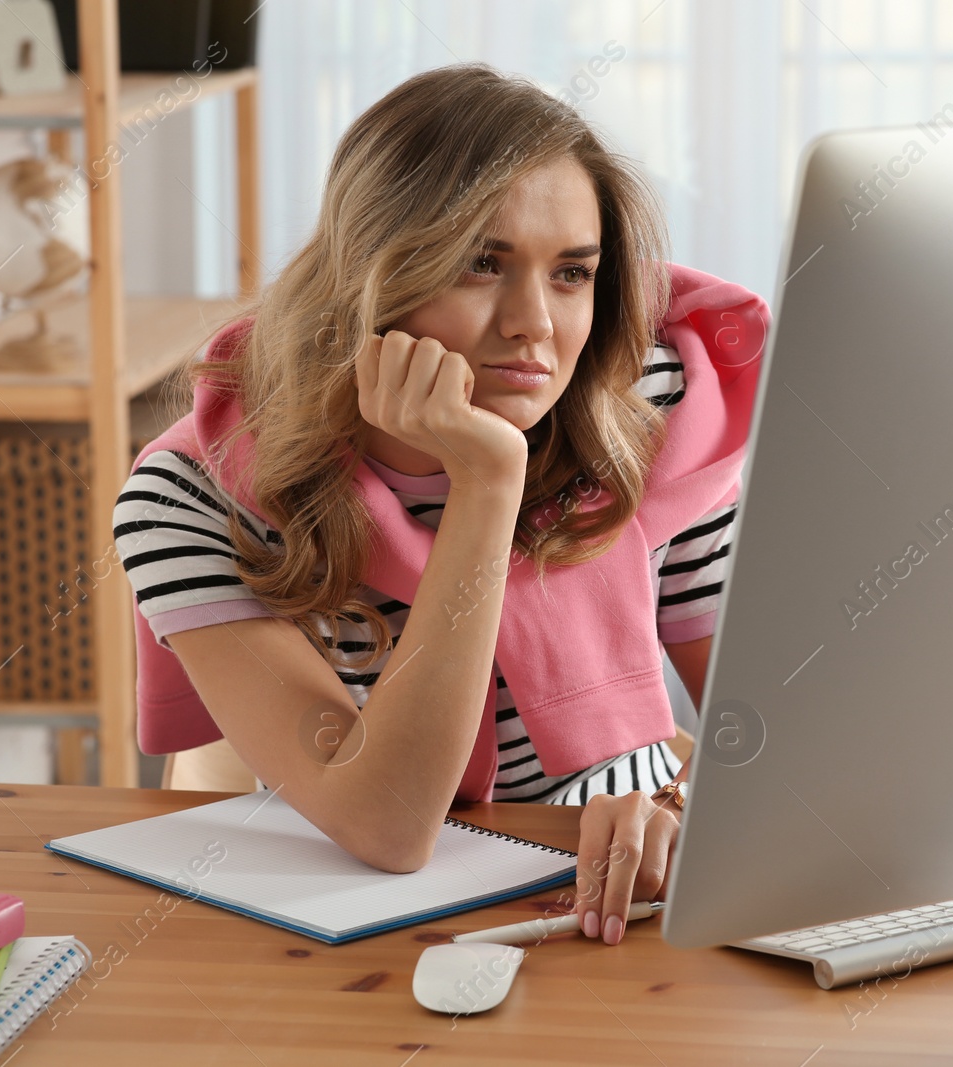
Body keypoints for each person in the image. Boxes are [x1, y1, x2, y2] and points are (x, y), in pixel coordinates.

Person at [114, 63, 757, 947]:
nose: (534, 322)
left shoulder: (646, 408)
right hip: (335, 934)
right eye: (480, 264)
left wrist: (681, 802)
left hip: (611, 907)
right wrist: (487, 486)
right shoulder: (191, 496)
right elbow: (387, 824)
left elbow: (770, 728)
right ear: (369, 275)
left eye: (572, 272)